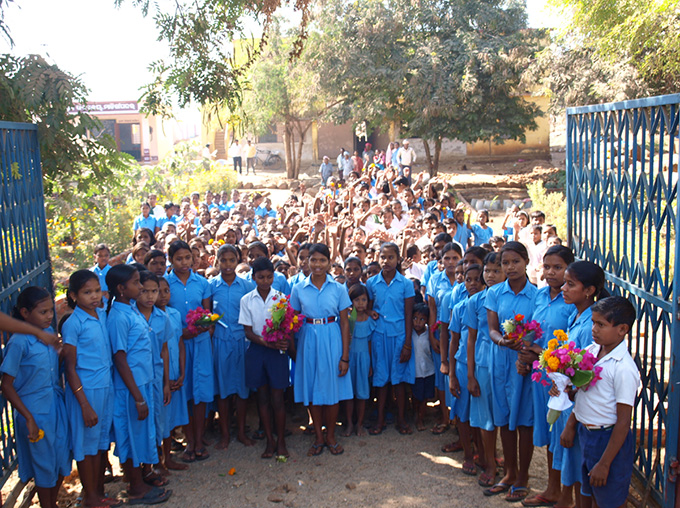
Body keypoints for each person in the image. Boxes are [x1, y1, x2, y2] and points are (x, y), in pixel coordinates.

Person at [561, 296, 640, 508]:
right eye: (593, 323)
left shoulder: (623, 368)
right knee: (593, 494)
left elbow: (623, 422)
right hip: (587, 435)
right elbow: (583, 394)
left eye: (601, 325)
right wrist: (571, 422)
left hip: (608, 440)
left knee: (610, 500)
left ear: (622, 329)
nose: (594, 329)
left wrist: (605, 463)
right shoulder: (591, 352)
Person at [106, 265, 171, 505]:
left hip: (143, 381)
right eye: (135, 283)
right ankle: (135, 488)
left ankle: (142, 478)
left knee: (142, 433)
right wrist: (137, 397)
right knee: (131, 436)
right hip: (130, 388)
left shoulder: (130, 309)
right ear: (121, 289)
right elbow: (120, 358)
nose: (141, 287)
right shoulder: (118, 316)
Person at [0, 287, 71, 508]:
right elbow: (7, 385)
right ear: (24, 312)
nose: (49, 316)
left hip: (55, 407)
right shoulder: (19, 342)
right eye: (43, 312)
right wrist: (28, 417)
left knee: (62, 458)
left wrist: (60, 355)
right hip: (35, 412)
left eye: (51, 311)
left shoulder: (47, 333)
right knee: (43, 465)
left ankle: (53, 502)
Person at [516, 246, 575, 508]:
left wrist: (538, 353)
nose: (551, 273)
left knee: (565, 434)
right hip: (542, 378)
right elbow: (532, 329)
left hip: (562, 380)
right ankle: (552, 489)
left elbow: (572, 348)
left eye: (558, 267)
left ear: (569, 270)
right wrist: (524, 354)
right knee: (551, 433)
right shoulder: (540, 296)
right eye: (547, 267)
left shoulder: (572, 302)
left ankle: (567, 495)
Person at [485, 241, 538, 502]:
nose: (510, 267)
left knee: (524, 421)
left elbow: (539, 330)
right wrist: (502, 341)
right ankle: (509, 473)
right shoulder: (494, 293)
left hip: (524, 365)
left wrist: (527, 349)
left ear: (526, 261)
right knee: (504, 419)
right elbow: (492, 328)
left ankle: (523, 477)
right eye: (505, 263)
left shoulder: (537, 295)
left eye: (515, 261)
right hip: (501, 360)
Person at [291, 244, 353, 456]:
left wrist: (345, 356)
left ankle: (331, 436)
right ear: (307, 262)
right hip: (308, 339)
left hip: (332, 337)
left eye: (322, 260)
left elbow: (345, 322)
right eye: (313, 260)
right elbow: (293, 320)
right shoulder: (298, 288)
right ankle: (318, 436)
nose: (317, 265)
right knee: (312, 389)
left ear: (329, 262)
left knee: (332, 389)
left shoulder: (338, 288)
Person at [61, 271, 114, 508]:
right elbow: (70, 368)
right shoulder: (73, 324)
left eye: (97, 290)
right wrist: (83, 404)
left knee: (100, 444)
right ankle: (90, 496)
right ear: (73, 295)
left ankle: (97, 492)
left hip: (105, 387)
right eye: (87, 292)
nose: (94, 296)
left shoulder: (101, 315)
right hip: (86, 391)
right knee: (86, 446)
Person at [164, 240, 214, 462]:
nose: (184, 262)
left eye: (187, 258)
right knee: (184, 390)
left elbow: (207, 314)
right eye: (178, 258)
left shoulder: (202, 283)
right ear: (171, 260)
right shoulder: (165, 284)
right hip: (177, 345)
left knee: (201, 391)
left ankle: (200, 439)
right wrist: (183, 333)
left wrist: (203, 328)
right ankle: (189, 441)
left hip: (200, 342)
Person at [239, 257, 291, 459]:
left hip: (276, 352)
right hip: (258, 350)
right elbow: (248, 332)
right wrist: (266, 342)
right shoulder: (246, 300)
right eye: (261, 277)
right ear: (253, 278)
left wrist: (281, 341)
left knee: (278, 398)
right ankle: (269, 441)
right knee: (262, 397)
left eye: (269, 277)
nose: (265, 281)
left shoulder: (280, 298)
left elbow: (286, 326)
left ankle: (282, 441)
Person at [210, 244, 256, 449]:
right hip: (219, 341)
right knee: (223, 390)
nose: (227, 265)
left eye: (232, 260)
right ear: (217, 260)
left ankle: (241, 432)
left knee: (241, 389)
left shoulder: (246, 286)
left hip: (241, 341)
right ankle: (225, 434)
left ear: (238, 261)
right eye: (223, 260)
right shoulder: (211, 286)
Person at [366, 242, 415, 435]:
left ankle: (401, 420)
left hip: (399, 336)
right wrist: (371, 312)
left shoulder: (406, 284)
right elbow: (368, 306)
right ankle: (380, 420)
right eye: (383, 257)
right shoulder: (371, 283)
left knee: (399, 380)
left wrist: (408, 344)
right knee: (381, 380)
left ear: (398, 259)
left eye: (390, 257)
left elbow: (409, 315)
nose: (386, 261)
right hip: (379, 335)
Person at [465, 251, 505, 486]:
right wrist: (470, 375)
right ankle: (489, 464)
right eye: (487, 271)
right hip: (482, 364)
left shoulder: (509, 299)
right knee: (485, 420)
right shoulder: (474, 301)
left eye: (496, 270)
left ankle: (509, 466)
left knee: (507, 417)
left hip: (506, 363)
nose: (490, 275)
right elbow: (470, 338)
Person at [135, 271, 171, 485]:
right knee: (139, 423)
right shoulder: (131, 316)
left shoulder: (162, 318)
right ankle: (139, 468)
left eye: (154, 291)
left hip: (156, 377)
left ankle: (155, 463)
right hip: (137, 378)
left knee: (156, 420)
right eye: (145, 291)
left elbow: (164, 350)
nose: (150, 296)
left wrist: (166, 382)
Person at [155, 277, 189, 473]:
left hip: (175, 372)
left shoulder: (175, 314)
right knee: (158, 418)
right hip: (160, 375)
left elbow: (179, 344)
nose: (162, 296)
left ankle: (168, 457)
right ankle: (156, 461)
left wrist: (182, 372)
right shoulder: (147, 317)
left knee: (168, 418)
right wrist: (165, 378)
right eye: (157, 291)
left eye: (166, 291)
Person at [343, 284, 374, 437]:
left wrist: (370, 365)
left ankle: (359, 424)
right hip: (349, 359)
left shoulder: (369, 320)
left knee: (362, 394)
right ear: (350, 301)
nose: (361, 303)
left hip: (363, 360)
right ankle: (349, 423)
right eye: (357, 300)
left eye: (364, 300)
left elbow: (369, 343)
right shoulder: (347, 319)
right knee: (349, 393)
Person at [411, 303, 434, 432]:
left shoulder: (429, 334)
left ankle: (421, 417)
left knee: (425, 397)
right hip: (415, 372)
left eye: (421, 319)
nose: (417, 322)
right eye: (414, 318)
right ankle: (416, 415)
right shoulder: (410, 333)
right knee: (416, 396)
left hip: (428, 370)